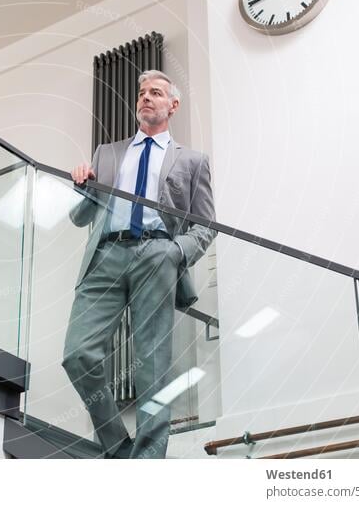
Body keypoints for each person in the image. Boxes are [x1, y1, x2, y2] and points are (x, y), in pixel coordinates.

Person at [62, 70, 216, 459]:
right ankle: (117, 447)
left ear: (172, 105)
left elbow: (206, 223)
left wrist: (176, 251)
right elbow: (81, 217)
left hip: (157, 254)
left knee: (152, 362)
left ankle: (147, 459)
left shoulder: (193, 160)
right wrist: (83, 185)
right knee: (78, 354)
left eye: (157, 93)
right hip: (106, 255)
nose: (146, 97)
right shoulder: (107, 153)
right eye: (142, 92)